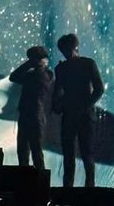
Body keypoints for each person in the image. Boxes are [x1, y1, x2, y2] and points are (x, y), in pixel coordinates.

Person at [52, 33, 104, 188]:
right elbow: (58, 91)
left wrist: (82, 107)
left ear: (74, 47)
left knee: (84, 151)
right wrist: (58, 105)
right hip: (76, 114)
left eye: (66, 49)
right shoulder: (80, 65)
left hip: (80, 115)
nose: (65, 53)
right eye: (63, 50)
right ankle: (75, 187)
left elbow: (99, 89)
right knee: (73, 153)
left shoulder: (81, 65)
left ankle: (86, 186)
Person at [9, 45, 54, 171]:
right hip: (28, 115)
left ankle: (39, 183)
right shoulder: (33, 74)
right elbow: (13, 77)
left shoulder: (46, 75)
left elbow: (15, 76)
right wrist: (30, 64)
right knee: (23, 151)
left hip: (35, 116)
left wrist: (30, 64)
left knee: (36, 152)